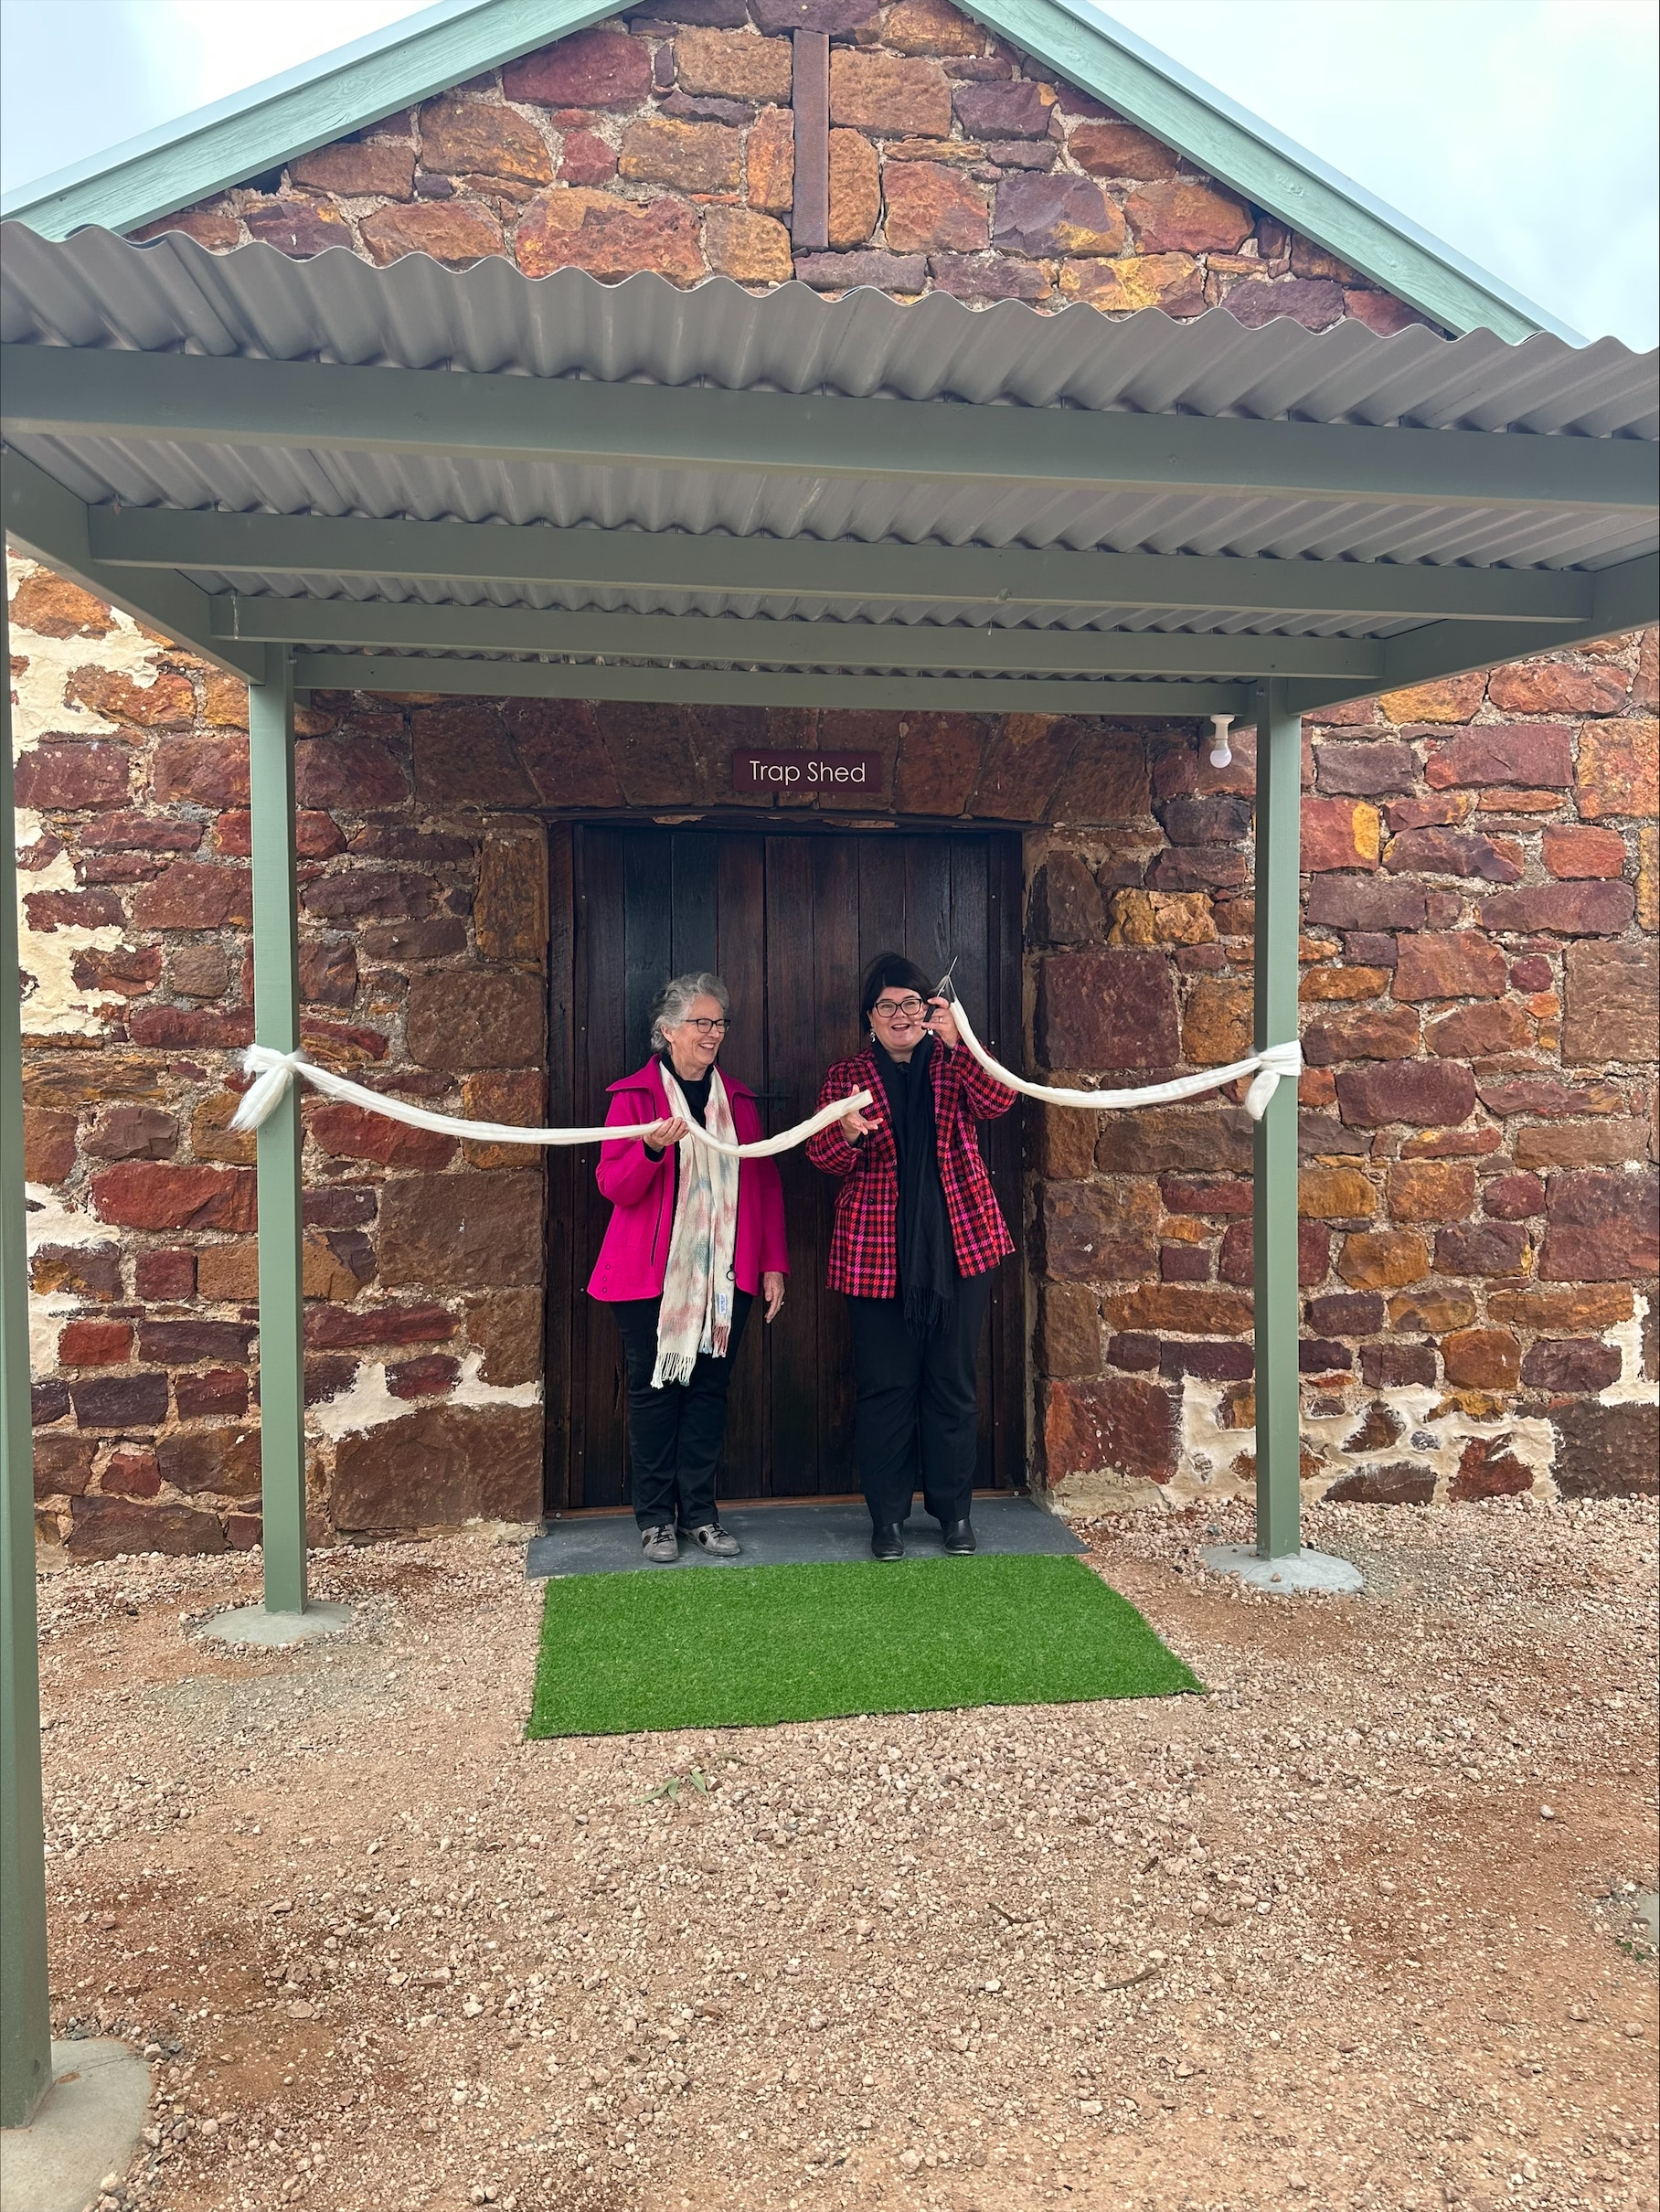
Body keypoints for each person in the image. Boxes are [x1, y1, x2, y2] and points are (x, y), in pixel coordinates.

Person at [806, 953, 1016, 1561]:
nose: (900, 1015)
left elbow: (999, 1103)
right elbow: (820, 1158)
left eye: (911, 1004)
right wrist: (844, 1133)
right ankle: (888, 1520)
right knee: (885, 1389)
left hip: (961, 1246)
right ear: (869, 1018)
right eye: (886, 1005)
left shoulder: (956, 1063)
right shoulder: (845, 1077)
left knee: (952, 1384)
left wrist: (961, 1042)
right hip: (874, 1253)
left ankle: (955, 1515)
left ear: (930, 1012)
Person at [590, 973, 787, 1562]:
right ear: (667, 1030)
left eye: (719, 1022)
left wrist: (773, 1264)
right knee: (655, 1396)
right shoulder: (633, 1098)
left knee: (708, 1395)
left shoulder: (742, 1103)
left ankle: (700, 1515)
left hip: (728, 1276)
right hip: (649, 1279)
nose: (713, 1032)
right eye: (702, 1022)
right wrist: (651, 1149)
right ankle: (655, 1521)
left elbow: (764, 1184)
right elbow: (614, 1187)